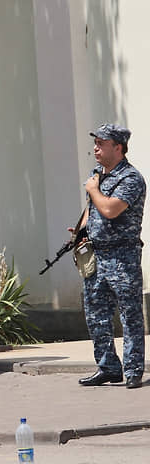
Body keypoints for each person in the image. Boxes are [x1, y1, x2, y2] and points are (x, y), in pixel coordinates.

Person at [76, 124, 145, 389]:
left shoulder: (130, 178)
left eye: (102, 143)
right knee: (96, 315)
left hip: (122, 255)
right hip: (97, 254)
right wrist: (82, 230)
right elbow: (92, 209)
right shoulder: (98, 175)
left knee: (129, 315)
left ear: (118, 147)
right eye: (96, 142)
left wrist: (93, 189)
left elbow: (110, 209)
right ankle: (107, 367)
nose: (96, 147)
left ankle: (133, 369)